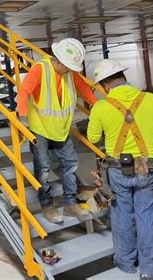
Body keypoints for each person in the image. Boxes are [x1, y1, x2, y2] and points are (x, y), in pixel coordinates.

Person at [87, 59, 153, 279]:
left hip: (117, 170)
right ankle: (151, 270)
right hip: (147, 168)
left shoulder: (101, 106)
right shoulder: (152, 99)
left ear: (104, 85)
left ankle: (126, 264)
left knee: (122, 215)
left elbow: (93, 137)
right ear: (123, 76)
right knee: (147, 216)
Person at [17, 38, 97, 223]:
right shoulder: (40, 69)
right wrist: (22, 118)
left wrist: (96, 105)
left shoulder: (69, 72)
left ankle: (70, 204)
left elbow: (83, 88)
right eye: (67, 66)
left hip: (60, 129)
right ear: (58, 61)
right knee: (43, 169)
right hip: (40, 129)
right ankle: (47, 206)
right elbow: (23, 91)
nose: (70, 70)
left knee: (70, 163)